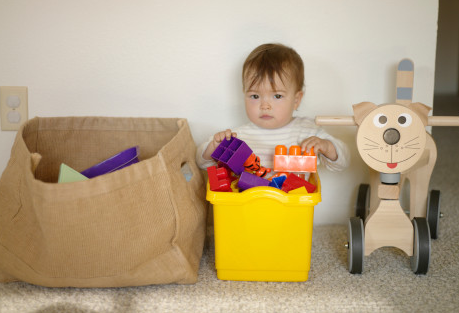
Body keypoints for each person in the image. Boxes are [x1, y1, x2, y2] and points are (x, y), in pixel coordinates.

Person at [196, 43, 349, 174]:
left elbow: (342, 162)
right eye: (255, 96)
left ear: (296, 100)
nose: (265, 106)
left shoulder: (307, 131)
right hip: (248, 207)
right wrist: (214, 147)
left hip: (292, 207)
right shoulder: (239, 136)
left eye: (277, 96)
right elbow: (201, 163)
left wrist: (327, 147)